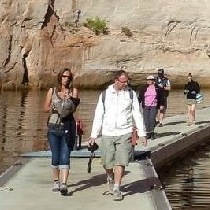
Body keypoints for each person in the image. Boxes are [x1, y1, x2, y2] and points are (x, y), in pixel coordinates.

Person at [88, 70, 147, 201]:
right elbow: (99, 115)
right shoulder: (105, 95)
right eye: (123, 82)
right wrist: (93, 135)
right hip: (108, 132)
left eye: (127, 81)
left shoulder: (131, 94)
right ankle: (110, 176)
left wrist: (142, 134)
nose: (125, 84)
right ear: (115, 80)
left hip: (124, 132)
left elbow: (137, 114)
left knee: (121, 160)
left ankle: (116, 187)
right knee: (107, 162)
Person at [44, 68, 80, 196]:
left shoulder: (73, 91)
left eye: (69, 77)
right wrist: (55, 107)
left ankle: (64, 184)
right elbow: (45, 107)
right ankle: (55, 181)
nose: (66, 79)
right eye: (64, 76)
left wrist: (69, 100)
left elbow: (74, 108)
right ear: (60, 77)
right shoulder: (52, 91)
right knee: (55, 156)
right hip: (53, 126)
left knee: (65, 156)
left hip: (67, 126)